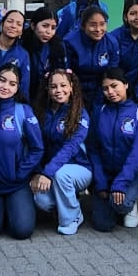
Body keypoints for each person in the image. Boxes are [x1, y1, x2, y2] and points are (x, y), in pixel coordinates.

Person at [0, 64, 43, 240]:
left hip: (16, 184)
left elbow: (37, 148)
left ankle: (14, 208)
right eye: (2, 80)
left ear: (18, 87)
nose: (5, 87)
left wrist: (20, 173)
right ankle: (1, 211)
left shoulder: (23, 111)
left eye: (12, 84)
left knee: (22, 231)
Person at [86, 68, 138, 232]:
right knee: (103, 225)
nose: (110, 92)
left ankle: (129, 202)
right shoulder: (99, 112)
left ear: (126, 85)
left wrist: (121, 184)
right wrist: (100, 182)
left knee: (119, 204)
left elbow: (137, 153)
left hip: (133, 176)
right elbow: (93, 149)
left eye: (114, 86)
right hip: (106, 175)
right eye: (106, 88)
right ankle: (111, 202)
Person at [31, 69, 92, 235]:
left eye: (63, 85)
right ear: (48, 90)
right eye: (53, 87)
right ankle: (68, 203)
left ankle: (72, 218)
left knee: (62, 174)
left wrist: (48, 173)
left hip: (79, 169)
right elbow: (35, 146)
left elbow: (70, 148)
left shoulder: (80, 113)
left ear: (71, 87)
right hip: (50, 171)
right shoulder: (41, 113)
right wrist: (37, 172)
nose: (59, 90)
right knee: (41, 200)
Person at [64, 5, 119, 109]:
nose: (98, 29)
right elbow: (65, 73)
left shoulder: (111, 42)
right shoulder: (70, 41)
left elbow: (112, 73)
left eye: (102, 24)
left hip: (101, 92)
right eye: (93, 25)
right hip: (75, 92)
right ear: (83, 25)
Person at [22, 6, 69, 102]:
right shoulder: (22, 45)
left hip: (50, 98)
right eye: (45, 26)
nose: (49, 32)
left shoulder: (58, 46)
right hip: (24, 97)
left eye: (53, 28)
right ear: (33, 25)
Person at [109, 0, 138, 101]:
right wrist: (118, 91)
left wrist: (136, 94)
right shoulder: (113, 37)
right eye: (133, 13)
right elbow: (111, 68)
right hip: (113, 91)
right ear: (125, 17)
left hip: (135, 91)